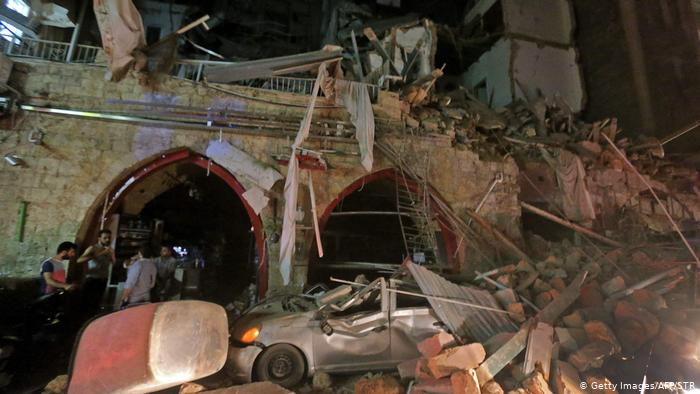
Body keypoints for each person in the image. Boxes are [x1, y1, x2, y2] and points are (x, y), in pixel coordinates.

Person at [77, 229, 115, 313]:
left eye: (109, 238)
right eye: (105, 238)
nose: (107, 240)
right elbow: (79, 260)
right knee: (87, 303)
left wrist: (112, 254)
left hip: (103, 279)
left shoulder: (109, 249)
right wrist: (100, 253)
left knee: (97, 303)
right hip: (92, 279)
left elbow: (113, 263)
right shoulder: (92, 248)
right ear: (99, 238)